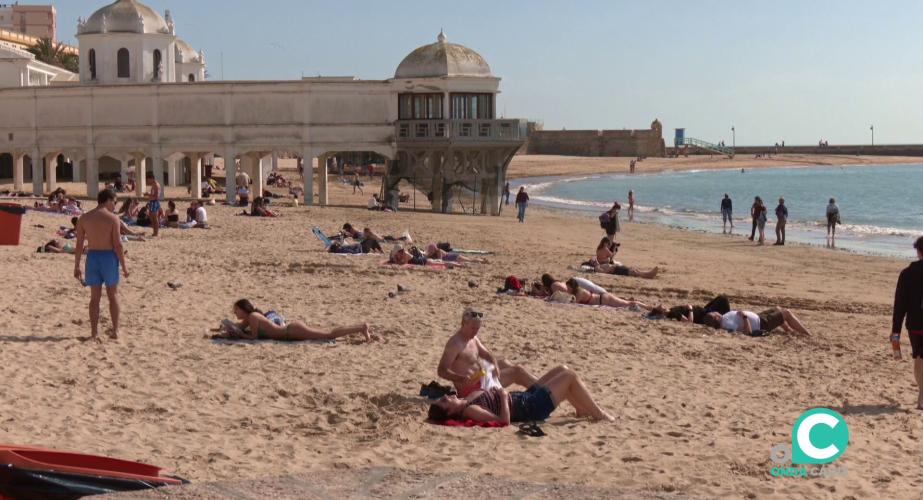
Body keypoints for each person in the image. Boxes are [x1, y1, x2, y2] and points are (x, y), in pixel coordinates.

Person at [428, 365, 615, 424]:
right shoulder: (470, 410)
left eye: (444, 397)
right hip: (530, 408)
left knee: (562, 369)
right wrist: (503, 397)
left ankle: (581, 410)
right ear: (450, 412)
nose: (447, 397)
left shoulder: (465, 399)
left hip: (523, 398)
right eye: (445, 401)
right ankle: (600, 415)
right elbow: (503, 421)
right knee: (569, 376)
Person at [437, 308, 537, 397]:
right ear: (463, 323)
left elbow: (487, 354)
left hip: (481, 378)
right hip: (472, 389)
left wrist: (495, 365)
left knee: (504, 362)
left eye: (477, 328)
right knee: (517, 371)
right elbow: (441, 370)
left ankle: (539, 387)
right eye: (473, 328)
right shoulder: (454, 344)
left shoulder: (473, 338)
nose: (475, 332)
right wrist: (461, 379)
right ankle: (542, 392)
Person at [74, 189, 129, 342]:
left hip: (92, 257)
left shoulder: (84, 218)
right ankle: (116, 330)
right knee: (113, 295)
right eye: (115, 202)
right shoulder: (113, 218)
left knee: (94, 298)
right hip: (108, 257)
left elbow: (79, 244)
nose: (115, 206)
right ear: (108, 200)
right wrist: (124, 267)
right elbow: (118, 245)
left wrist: (77, 265)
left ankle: (94, 333)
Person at [226, 299, 372, 342]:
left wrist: (240, 335)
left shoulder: (253, 317)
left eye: (236, 309)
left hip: (291, 331)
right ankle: (361, 329)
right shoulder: (250, 318)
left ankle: (361, 328)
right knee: (327, 333)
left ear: (243, 309)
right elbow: (238, 326)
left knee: (329, 335)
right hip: (291, 330)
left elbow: (254, 337)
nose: (234, 312)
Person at [890, 236, 923, 410]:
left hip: (915, 324)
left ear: (918, 251)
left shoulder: (907, 274)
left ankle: (922, 394)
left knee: (918, 357)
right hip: (916, 324)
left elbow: (900, 304)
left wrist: (895, 331)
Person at [703, 307, 810, 336]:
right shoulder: (727, 324)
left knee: (777, 308)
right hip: (762, 324)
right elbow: (747, 332)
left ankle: (789, 331)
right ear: (716, 318)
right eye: (714, 313)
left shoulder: (724, 319)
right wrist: (744, 317)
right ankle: (807, 334)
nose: (716, 311)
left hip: (759, 317)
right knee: (786, 313)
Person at [592, 237, 659, 279]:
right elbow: (604, 272)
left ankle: (647, 273)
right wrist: (612, 267)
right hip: (615, 269)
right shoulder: (597, 268)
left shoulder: (598, 264)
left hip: (616, 268)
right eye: (594, 261)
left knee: (632, 269)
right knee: (632, 272)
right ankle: (647, 275)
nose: (595, 261)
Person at [565, 278, 649, 310]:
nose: (567, 290)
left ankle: (647, 307)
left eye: (568, 287)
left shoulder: (580, 292)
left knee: (628, 304)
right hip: (603, 299)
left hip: (604, 299)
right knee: (626, 303)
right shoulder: (577, 292)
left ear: (572, 287)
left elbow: (573, 304)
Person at [655, 295, 731, 324]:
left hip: (704, 311)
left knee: (721, 298)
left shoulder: (671, 310)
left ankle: (728, 316)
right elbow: (689, 322)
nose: (661, 305)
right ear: (662, 312)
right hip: (704, 316)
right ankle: (729, 317)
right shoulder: (673, 314)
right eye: (660, 307)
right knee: (723, 300)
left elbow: (652, 309)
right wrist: (690, 310)